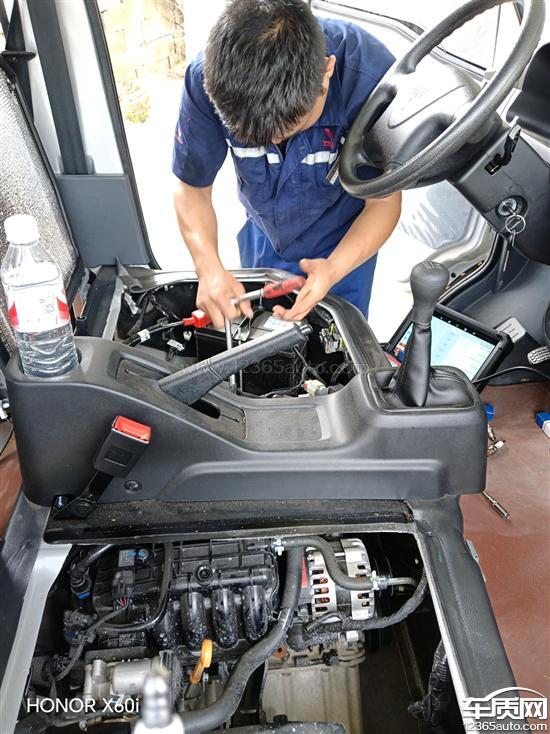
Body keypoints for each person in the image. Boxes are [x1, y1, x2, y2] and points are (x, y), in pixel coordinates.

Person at [172, 0, 401, 329]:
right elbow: (191, 188)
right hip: (263, 233)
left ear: (327, 71)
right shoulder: (207, 79)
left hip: (346, 243)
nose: (273, 143)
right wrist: (208, 267)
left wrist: (333, 269)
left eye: (289, 129)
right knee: (258, 333)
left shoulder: (373, 82)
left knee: (338, 343)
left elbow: (384, 201)